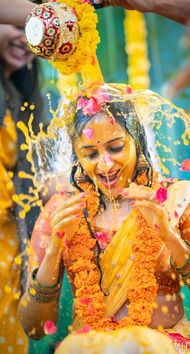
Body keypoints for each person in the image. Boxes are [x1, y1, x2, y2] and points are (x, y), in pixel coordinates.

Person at [18, 86, 190, 353]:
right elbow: (34, 329)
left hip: (163, 346)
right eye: (91, 153)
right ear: (77, 155)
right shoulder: (60, 211)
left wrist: (169, 237)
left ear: (137, 141)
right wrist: (53, 251)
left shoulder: (180, 201)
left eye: (116, 147)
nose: (106, 164)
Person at [0, 24, 44, 354]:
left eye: (35, 29)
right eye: (16, 23)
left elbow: (29, 185)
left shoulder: (27, 96)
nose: (26, 36)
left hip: (10, 244)